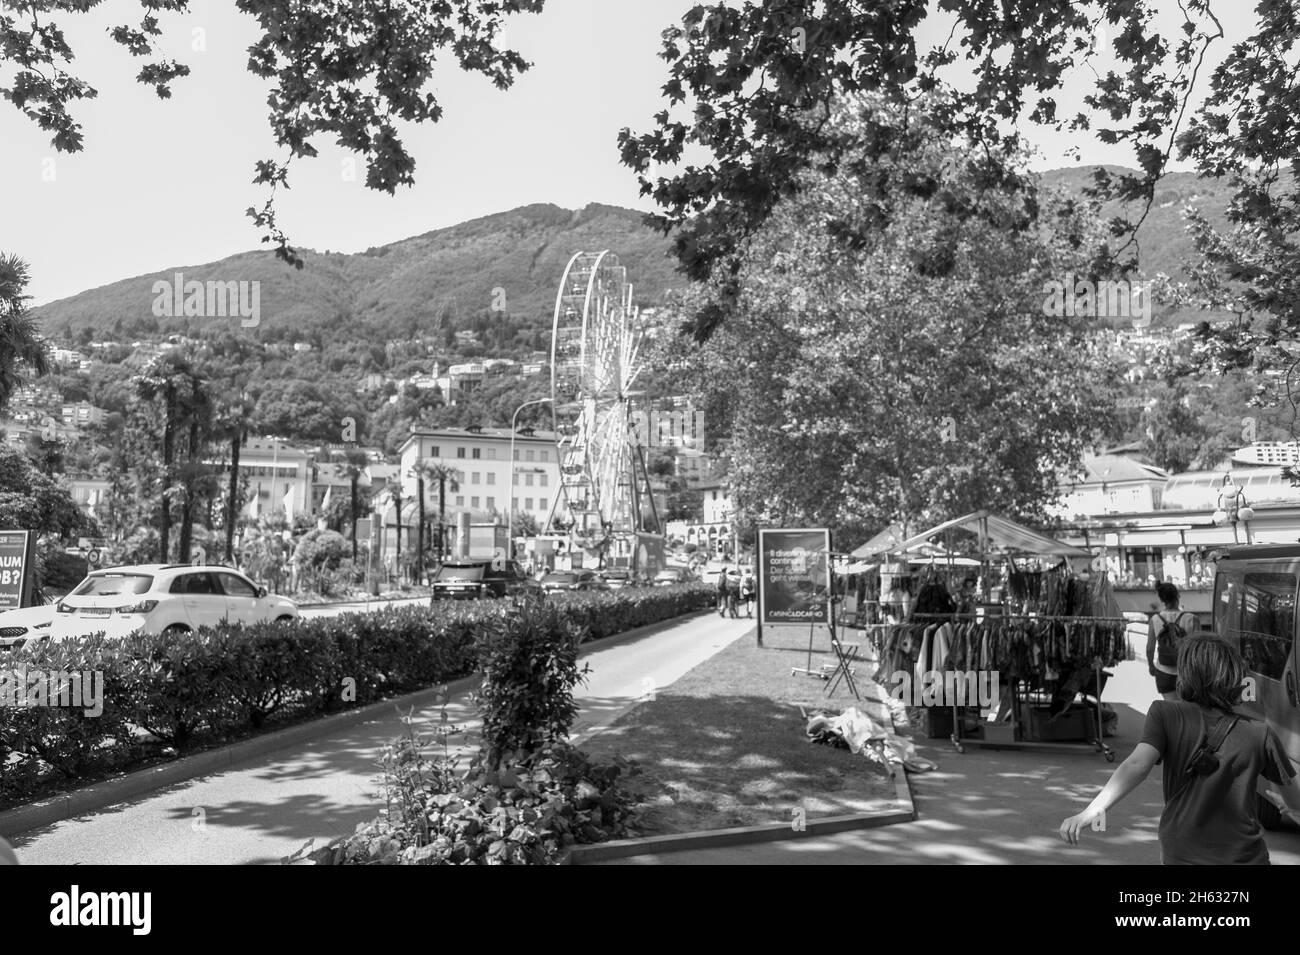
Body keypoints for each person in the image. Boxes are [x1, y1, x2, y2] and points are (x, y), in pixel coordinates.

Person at [1060, 634, 1294, 864]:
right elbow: (1292, 790)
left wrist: (1091, 812)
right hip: (1245, 857)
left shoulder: (1165, 714)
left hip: (1183, 852)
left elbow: (1137, 765)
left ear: (1187, 674)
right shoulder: (1259, 732)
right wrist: (1291, 808)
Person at [1148, 581, 1198, 701]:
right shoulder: (1192, 619)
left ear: (1162, 600)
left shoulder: (1155, 619)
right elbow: (1198, 650)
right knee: (1186, 711)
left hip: (1163, 672)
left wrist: (1151, 666)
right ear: (1177, 597)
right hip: (1185, 674)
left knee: (1171, 709)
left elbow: (1150, 648)